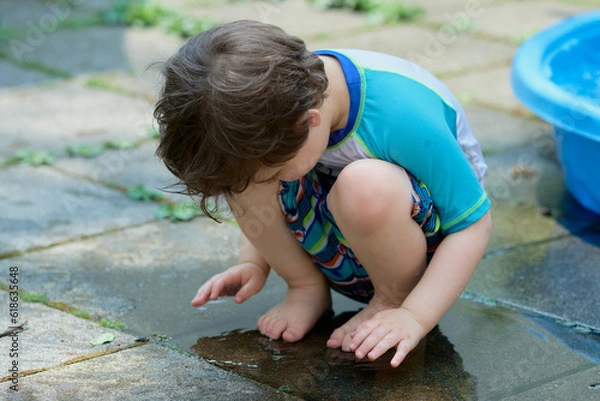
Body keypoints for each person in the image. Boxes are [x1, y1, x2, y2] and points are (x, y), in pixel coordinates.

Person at [154, 19, 492, 368]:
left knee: (365, 186)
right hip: (339, 247)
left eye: (277, 172)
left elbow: (473, 225)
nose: (271, 180)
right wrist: (254, 260)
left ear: (309, 121)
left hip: (419, 259)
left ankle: (391, 303)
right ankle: (306, 288)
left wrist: (414, 316)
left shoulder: (403, 115)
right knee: (246, 177)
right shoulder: (275, 100)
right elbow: (257, 179)